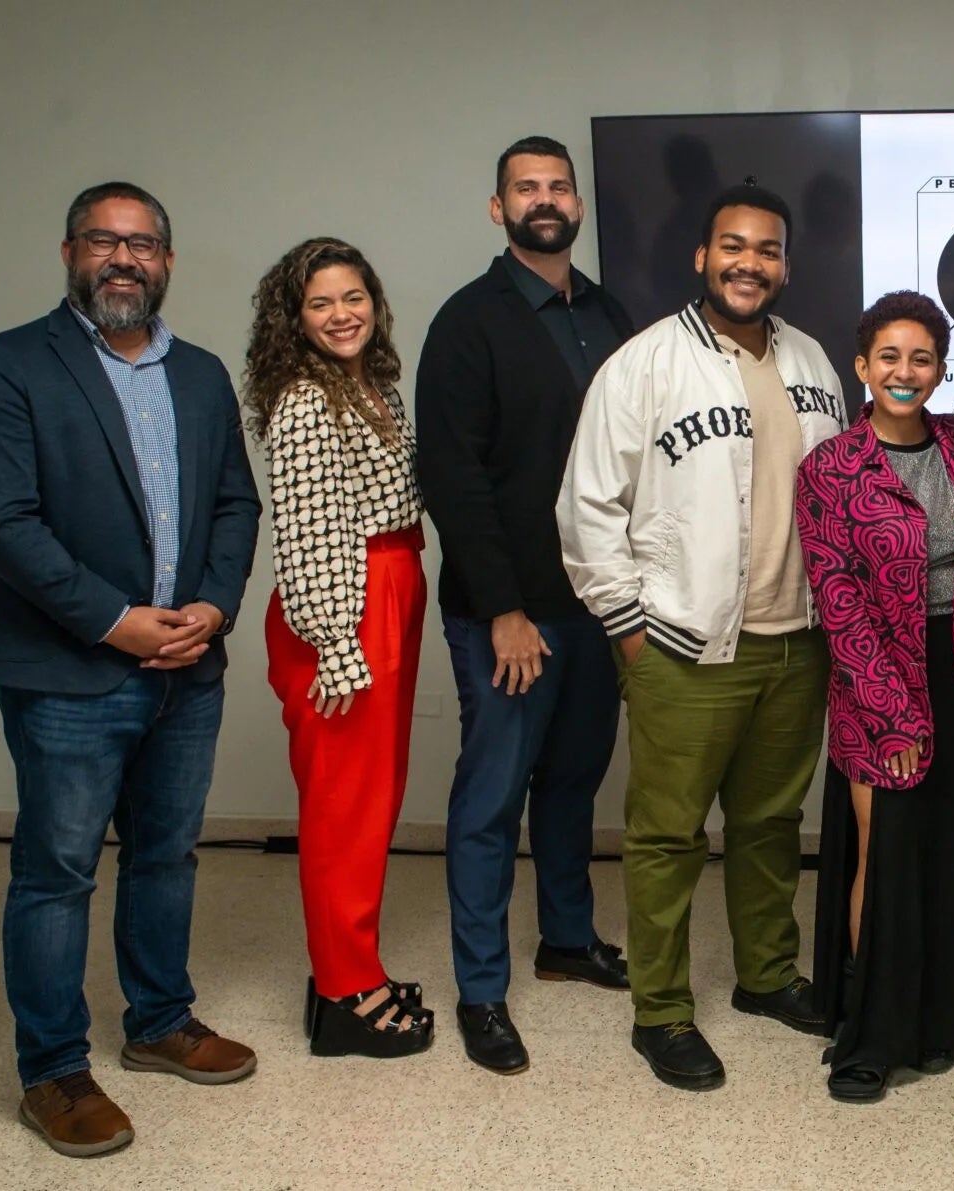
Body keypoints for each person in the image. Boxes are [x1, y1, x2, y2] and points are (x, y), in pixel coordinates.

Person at [0, 182, 262, 1157]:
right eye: (103, 240)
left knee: (166, 855)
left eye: (144, 244)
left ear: (167, 261)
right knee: (57, 874)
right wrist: (118, 624)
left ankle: (161, 1022)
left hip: (189, 666)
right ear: (68, 251)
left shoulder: (204, 375)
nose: (123, 258)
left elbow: (232, 507)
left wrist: (209, 608)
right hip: (67, 674)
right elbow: (1, 520)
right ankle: (52, 1071)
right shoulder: (4, 368)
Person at [558, 180, 846, 1091]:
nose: (748, 263)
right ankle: (663, 1010)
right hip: (682, 644)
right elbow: (587, 506)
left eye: (765, 249)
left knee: (769, 823)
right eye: (733, 245)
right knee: (668, 833)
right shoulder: (643, 365)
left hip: (794, 641)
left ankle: (765, 977)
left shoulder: (813, 362)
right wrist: (628, 626)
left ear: (785, 265)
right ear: (702, 256)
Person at [415, 135, 636, 1075]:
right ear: (497, 209)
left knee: (575, 782)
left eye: (558, 185)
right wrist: (503, 607)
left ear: (577, 204)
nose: (544, 199)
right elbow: (452, 475)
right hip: (510, 611)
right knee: (491, 798)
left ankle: (566, 939)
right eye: (524, 187)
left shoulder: (612, 314)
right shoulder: (470, 320)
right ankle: (480, 989)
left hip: (596, 602)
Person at [794, 291, 954, 1103]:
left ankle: (947, 1014)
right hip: (876, 676)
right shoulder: (830, 468)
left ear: (939, 368)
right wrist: (890, 710)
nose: (904, 371)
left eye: (921, 358)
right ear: (862, 367)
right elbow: (839, 597)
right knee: (884, 849)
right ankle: (872, 1027)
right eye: (888, 357)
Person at [244, 237, 434, 1058]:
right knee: (343, 811)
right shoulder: (306, 401)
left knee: (371, 796)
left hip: (390, 582)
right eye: (320, 303)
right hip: (348, 605)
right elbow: (311, 535)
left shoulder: (366, 384)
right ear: (295, 318)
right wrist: (336, 646)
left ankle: (351, 970)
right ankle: (344, 993)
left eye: (352, 296)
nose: (340, 314)